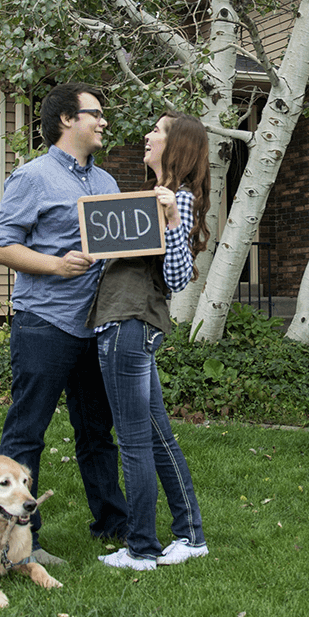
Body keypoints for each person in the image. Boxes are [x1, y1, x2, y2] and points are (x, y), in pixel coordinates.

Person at [0, 82, 128, 562]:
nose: (103, 121)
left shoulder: (108, 184)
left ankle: (113, 525)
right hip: (45, 324)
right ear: (67, 119)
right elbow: (1, 244)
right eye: (95, 113)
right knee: (27, 434)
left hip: (97, 327)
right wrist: (55, 264)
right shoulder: (33, 177)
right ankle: (19, 542)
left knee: (96, 433)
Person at [91, 111, 211, 571]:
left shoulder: (174, 200)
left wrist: (171, 223)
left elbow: (178, 277)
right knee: (158, 437)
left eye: (157, 130)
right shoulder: (151, 198)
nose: (147, 134)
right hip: (125, 323)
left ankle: (141, 547)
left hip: (131, 324)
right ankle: (191, 536)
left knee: (135, 440)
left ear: (176, 144)